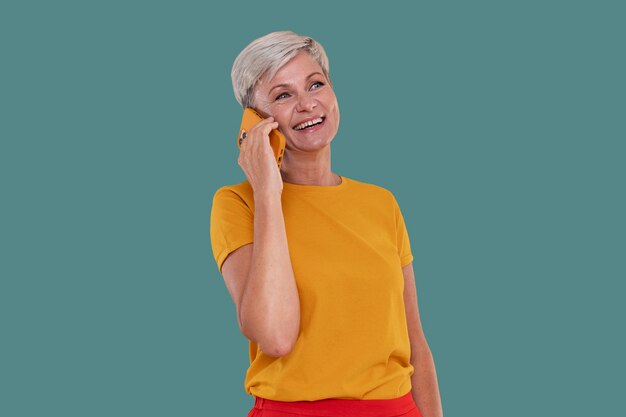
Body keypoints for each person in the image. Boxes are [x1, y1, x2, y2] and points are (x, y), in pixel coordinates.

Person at [210, 31, 443, 417]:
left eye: (315, 84)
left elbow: (415, 342)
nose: (307, 104)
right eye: (283, 95)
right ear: (254, 121)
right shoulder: (237, 203)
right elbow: (276, 337)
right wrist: (268, 191)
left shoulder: (382, 203)